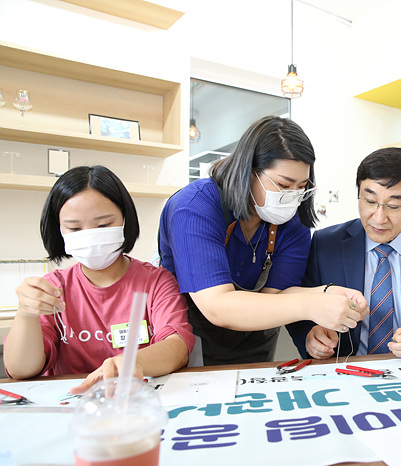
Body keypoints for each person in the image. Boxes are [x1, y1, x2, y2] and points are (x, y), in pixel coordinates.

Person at [159, 116, 368, 365]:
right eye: (283, 184)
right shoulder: (195, 207)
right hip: (193, 336)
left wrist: (326, 294)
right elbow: (217, 305)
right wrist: (310, 304)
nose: (292, 197)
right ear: (248, 171)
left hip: (255, 340)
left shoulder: (292, 221)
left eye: (301, 187)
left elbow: (277, 296)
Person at [4, 165, 194, 394]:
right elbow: (20, 370)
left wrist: (133, 362)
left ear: (125, 219)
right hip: (74, 408)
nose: (90, 235)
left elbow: (177, 346)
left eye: (103, 225)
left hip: (136, 402)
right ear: (59, 230)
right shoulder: (53, 288)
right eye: (74, 228)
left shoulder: (156, 282)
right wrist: (26, 314)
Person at [287, 148, 401, 359]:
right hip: (346, 367)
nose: (378, 218)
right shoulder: (326, 244)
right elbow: (299, 307)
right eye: (369, 201)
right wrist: (311, 336)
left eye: (393, 206)